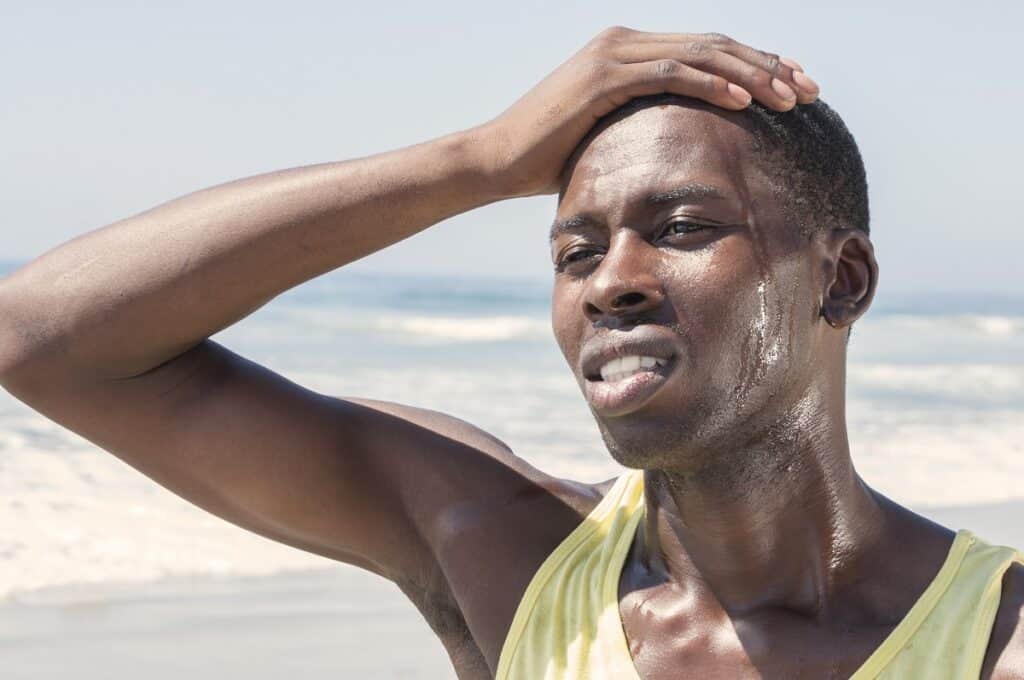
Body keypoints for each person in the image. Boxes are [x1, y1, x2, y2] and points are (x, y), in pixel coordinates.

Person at [0, 26, 1021, 679]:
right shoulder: (504, 549)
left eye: (678, 227)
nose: (608, 279)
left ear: (838, 281)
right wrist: (477, 160)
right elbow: (45, 337)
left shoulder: (990, 637)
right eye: (573, 250)